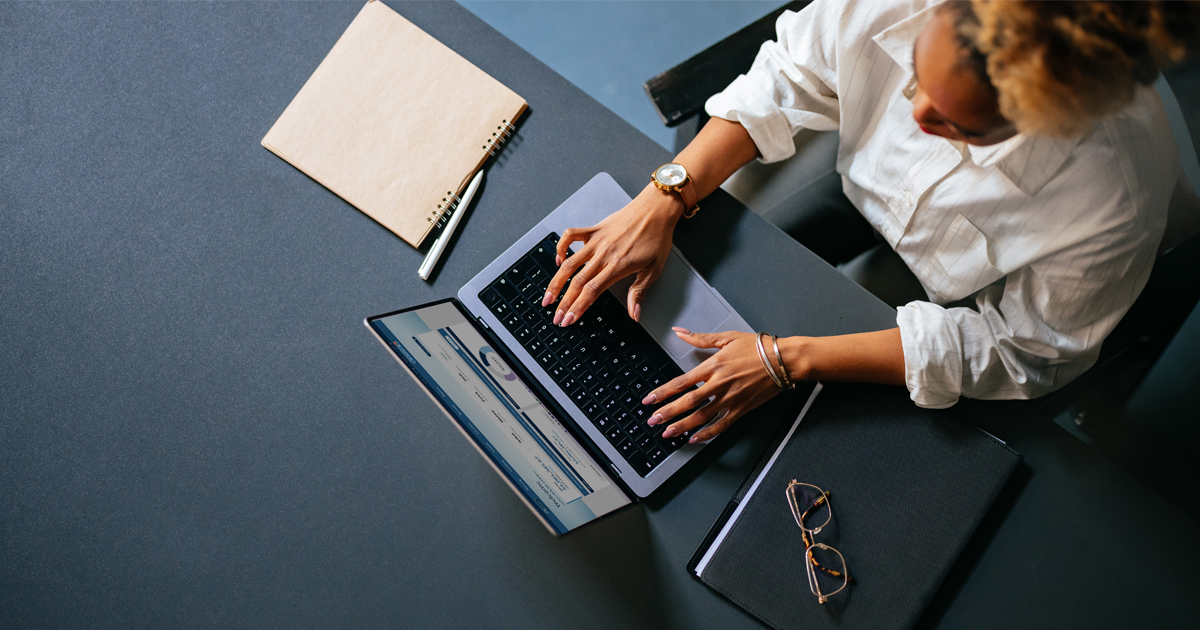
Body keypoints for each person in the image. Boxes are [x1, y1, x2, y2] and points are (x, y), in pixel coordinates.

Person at [542, 0, 1200, 444]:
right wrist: (666, 194)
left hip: (977, 286)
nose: (916, 119)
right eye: (914, 74)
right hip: (857, 177)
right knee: (714, 284)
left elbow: (1022, 349)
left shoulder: (1113, 202)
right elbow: (793, 74)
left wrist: (790, 359)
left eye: (956, 125)